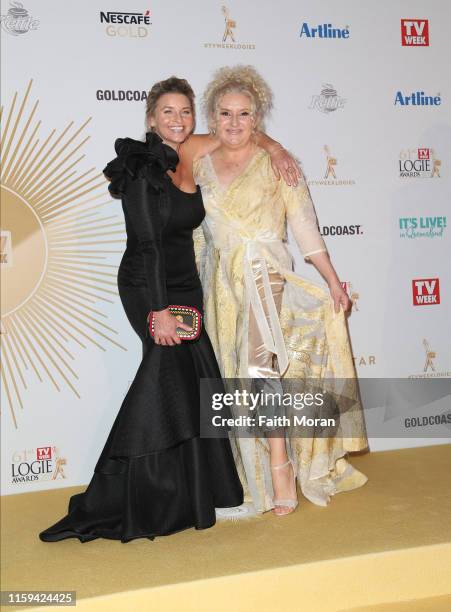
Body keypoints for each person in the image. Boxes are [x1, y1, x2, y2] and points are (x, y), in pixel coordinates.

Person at [39, 76, 300, 542]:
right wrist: (157, 311)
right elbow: (147, 244)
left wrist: (277, 150)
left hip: (186, 286)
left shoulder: (193, 151)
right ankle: (115, 491)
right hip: (149, 286)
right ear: (151, 118)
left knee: (194, 381)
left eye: (185, 112)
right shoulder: (141, 166)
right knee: (160, 375)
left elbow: (243, 129)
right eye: (168, 113)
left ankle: (186, 493)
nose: (178, 120)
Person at [193, 65, 368, 517]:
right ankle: (242, 471)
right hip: (220, 281)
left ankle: (280, 467)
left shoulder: (277, 162)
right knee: (235, 373)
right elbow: (195, 233)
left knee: (259, 367)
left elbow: (304, 226)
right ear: (212, 115)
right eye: (226, 113)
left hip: (263, 270)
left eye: (245, 114)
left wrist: (332, 280)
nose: (235, 123)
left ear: (259, 118)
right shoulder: (199, 164)